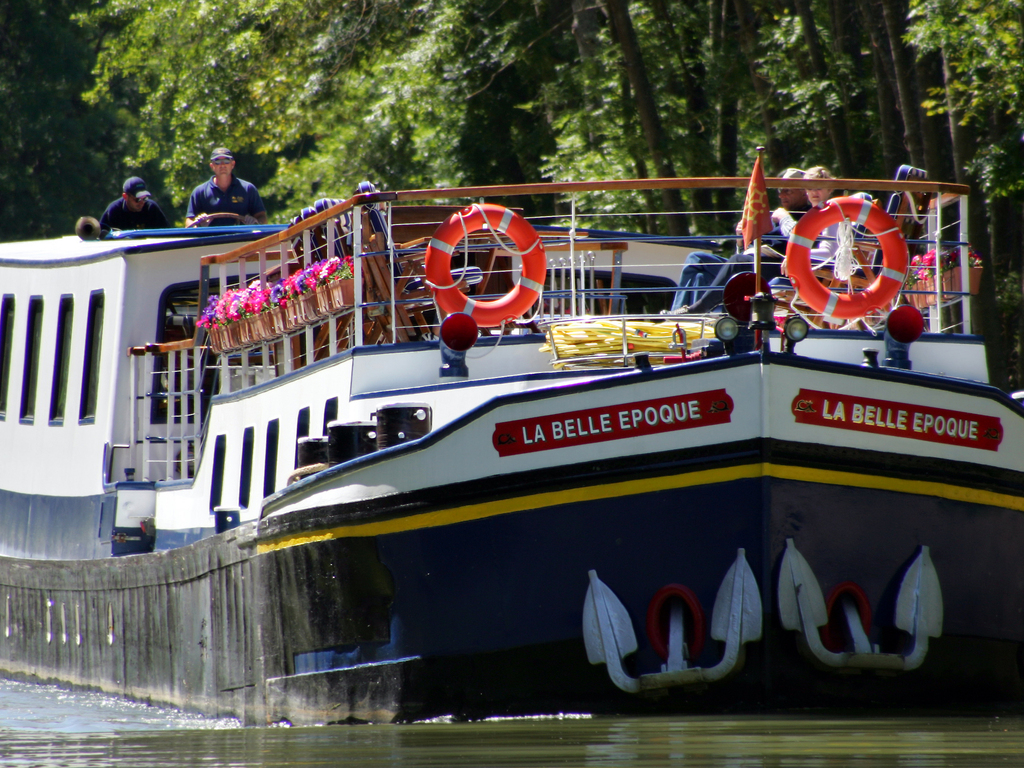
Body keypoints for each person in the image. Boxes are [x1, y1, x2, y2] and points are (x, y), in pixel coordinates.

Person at [670, 168, 810, 312]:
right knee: (696, 259)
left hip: (777, 267)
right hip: (752, 262)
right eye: (780, 190)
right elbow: (747, 252)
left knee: (737, 261)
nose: (781, 195)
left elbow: (800, 238)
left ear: (804, 192)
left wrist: (784, 218)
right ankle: (680, 312)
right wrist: (741, 241)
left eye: (788, 191)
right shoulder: (775, 218)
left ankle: (698, 309)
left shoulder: (808, 215)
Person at [185, 148, 267, 227]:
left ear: (233, 164)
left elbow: (262, 217)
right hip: (210, 236)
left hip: (242, 236)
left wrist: (255, 223)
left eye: (226, 161)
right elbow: (188, 223)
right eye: (217, 161)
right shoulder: (200, 192)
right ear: (212, 166)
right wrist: (198, 224)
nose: (222, 165)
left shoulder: (248, 189)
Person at [98, 177, 171, 233]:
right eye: (137, 200)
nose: (142, 202)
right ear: (125, 197)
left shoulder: (151, 208)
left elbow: (167, 233)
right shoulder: (114, 210)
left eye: (144, 198)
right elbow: (100, 235)